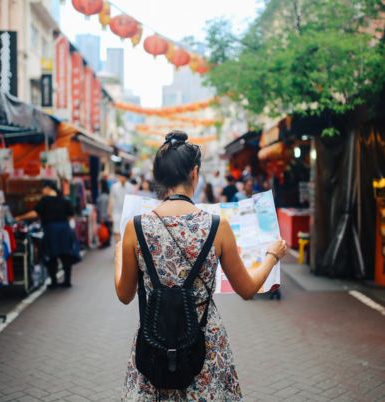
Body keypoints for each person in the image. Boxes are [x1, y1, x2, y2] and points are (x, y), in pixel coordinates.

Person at [115, 131, 287, 401]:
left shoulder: (135, 228)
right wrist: (272, 255)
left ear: (158, 177)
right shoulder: (218, 226)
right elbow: (247, 288)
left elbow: (124, 295)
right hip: (205, 346)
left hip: (155, 342)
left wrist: (118, 255)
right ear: (194, 173)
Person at [16, 180, 76, 289]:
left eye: (43, 188)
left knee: (51, 256)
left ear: (48, 188)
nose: (42, 191)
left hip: (51, 230)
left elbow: (35, 213)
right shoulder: (64, 200)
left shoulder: (45, 200)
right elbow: (71, 215)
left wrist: (20, 217)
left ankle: (54, 282)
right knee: (66, 255)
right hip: (64, 230)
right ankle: (67, 281)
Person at [108, 172, 135, 243]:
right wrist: (109, 212)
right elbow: (111, 199)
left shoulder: (131, 187)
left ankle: (124, 249)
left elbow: (133, 201)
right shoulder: (114, 187)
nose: (122, 178)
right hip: (116, 212)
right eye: (121, 177)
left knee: (126, 231)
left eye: (123, 177)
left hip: (127, 213)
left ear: (126, 178)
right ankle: (118, 248)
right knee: (117, 231)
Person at [96, 179, 111, 247]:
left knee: (104, 231)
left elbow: (101, 208)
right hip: (107, 216)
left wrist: (102, 217)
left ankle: (105, 243)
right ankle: (107, 242)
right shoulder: (107, 195)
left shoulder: (102, 196)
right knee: (107, 230)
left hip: (104, 216)